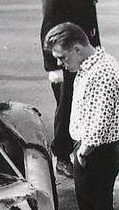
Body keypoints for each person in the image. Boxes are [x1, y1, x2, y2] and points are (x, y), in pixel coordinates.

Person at [44, 22, 119, 210]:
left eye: (62, 57)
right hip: (95, 152)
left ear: (78, 48)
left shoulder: (101, 72)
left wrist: (84, 151)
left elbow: (101, 121)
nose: (60, 63)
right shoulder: (92, 65)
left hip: (97, 154)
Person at [40, 0, 99, 179]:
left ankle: (83, 152)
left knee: (84, 107)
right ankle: (62, 157)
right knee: (67, 108)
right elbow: (49, 27)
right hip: (66, 61)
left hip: (83, 55)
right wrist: (53, 67)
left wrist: (95, 51)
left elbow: (90, 21)